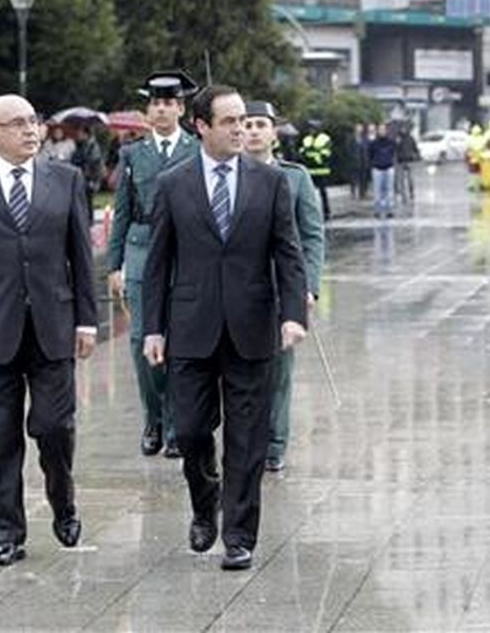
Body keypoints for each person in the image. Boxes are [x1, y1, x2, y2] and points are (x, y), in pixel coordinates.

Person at [142, 85, 307, 571]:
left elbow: (288, 253)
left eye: (243, 120)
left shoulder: (270, 181)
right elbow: (158, 264)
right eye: (230, 121)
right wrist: (153, 327)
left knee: (247, 438)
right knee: (191, 432)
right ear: (202, 126)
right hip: (190, 327)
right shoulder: (173, 184)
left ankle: (239, 536)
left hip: (252, 327)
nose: (241, 129)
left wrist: (293, 313)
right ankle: (203, 500)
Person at [0, 94, 97, 566]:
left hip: (54, 325)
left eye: (34, 120)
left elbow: (81, 258)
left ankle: (63, 502)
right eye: (17, 124)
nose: (31, 131)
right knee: (0, 433)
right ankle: (8, 531)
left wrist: (87, 320)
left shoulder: (65, 180)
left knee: (53, 426)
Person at [107, 70, 199, 458]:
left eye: (168, 103)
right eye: (155, 103)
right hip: (142, 250)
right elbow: (123, 212)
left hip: (186, 252)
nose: (161, 110)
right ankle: (154, 419)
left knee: (180, 343)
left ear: (181, 108)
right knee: (142, 341)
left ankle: (178, 426)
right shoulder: (132, 154)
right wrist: (115, 265)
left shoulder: (197, 149)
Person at [241, 100, 326, 472]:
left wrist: (307, 286)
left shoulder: (296, 178)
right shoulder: (226, 175)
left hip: (280, 289)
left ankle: (274, 444)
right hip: (235, 289)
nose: (254, 130)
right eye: (247, 124)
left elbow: (312, 236)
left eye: (261, 124)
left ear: (274, 132)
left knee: (278, 372)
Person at [299, 123, 333, 221]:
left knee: (323, 193)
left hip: (321, 170)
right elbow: (302, 151)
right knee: (308, 194)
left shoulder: (325, 139)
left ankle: (326, 212)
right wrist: (311, 155)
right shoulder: (307, 139)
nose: (312, 131)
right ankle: (310, 213)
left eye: (313, 129)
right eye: (310, 129)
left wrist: (312, 156)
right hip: (309, 170)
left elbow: (326, 154)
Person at [367, 122, 397, 219]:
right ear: (377, 131)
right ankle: (377, 211)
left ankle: (389, 211)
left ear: (386, 131)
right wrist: (374, 163)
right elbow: (370, 154)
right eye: (380, 130)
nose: (382, 131)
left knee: (389, 190)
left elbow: (393, 153)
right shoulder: (373, 143)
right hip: (377, 169)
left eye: (383, 129)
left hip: (388, 168)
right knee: (377, 191)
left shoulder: (391, 142)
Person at [394, 123, 420, 204]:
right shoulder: (398, 138)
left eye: (405, 128)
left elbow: (415, 148)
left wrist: (416, 155)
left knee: (410, 179)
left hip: (409, 160)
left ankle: (411, 192)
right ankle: (404, 196)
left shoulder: (410, 138)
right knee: (401, 180)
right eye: (402, 128)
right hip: (400, 161)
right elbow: (395, 148)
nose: (403, 130)